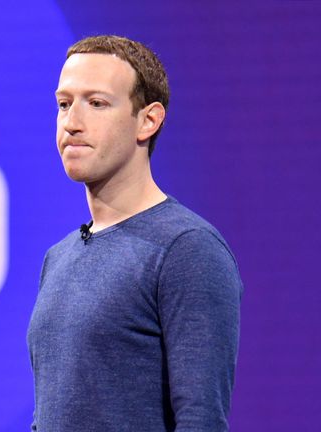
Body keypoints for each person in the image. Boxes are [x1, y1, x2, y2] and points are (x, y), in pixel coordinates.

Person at [26, 35, 243, 431]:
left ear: (148, 120)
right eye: (64, 104)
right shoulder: (58, 257)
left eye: (96, 103)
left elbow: (201, 420)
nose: (72, 123)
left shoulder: (187, 250)